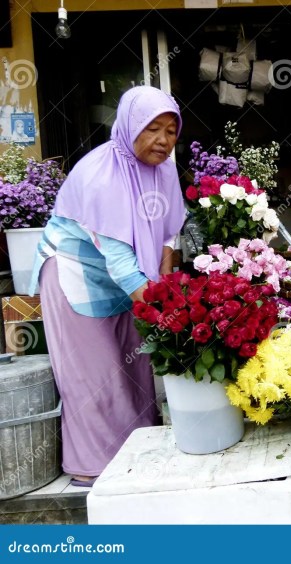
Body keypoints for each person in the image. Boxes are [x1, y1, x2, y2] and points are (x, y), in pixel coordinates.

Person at [28, 86, 186, 487]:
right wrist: (163, 315)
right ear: (130, 126)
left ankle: (138, 455)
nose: (164, 141)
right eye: (153, 129)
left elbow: (169, 234)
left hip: (128, 275)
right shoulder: (100, 174)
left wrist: (164, 285)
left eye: (171, 130)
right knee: (96, 374)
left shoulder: (163, 167)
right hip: (76, 273)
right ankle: (93, 468)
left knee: (137, 366)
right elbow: (119, 261)